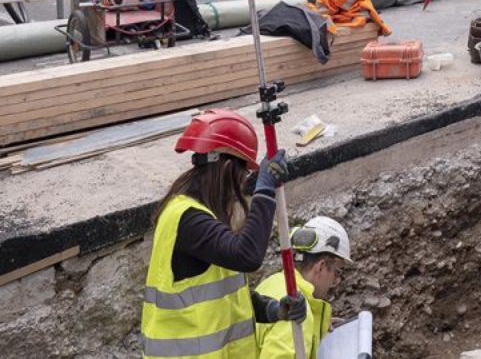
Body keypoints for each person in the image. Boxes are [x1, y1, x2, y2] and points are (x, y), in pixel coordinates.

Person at [141, 109, 303, 359]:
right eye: (245, 174)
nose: (242, 184)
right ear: (228, 168)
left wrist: (271, 310)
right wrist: (264, 191)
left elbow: (224, 297)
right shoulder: (187, 219)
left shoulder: (201, 216)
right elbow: (247, 256)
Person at [253, 216, 349, 359]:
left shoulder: (272, 283)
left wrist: (317, 327)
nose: (337, 281)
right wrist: (307, 323)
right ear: (321, 266)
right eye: (337, 272)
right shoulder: (298, 314)